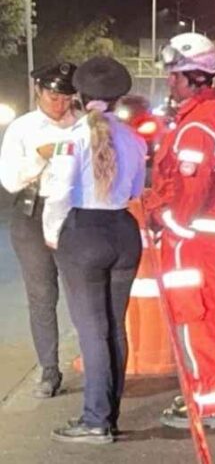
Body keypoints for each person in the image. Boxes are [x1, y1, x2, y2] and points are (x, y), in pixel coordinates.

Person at [141, 33, 215, 429]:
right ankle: (207, 394)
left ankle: (210, 405)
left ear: (195, 77)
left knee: (195, 320)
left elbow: (187, 198)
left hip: (193, 241)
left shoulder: (197, 128)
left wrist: (157, 217)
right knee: (211, 318)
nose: (170, 82)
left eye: (175, 76)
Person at [39, 57, 146, 444]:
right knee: (114, 328)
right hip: (123, 230)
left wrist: (52, 231)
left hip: (83, 232)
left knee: (92, 332)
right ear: (119, 99)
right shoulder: (135, 138)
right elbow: (135, 191)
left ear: (80, 97)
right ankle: (109, 414)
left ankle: (95, 420)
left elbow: (60, 192)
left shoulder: (74, 138)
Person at [0, 62, 81, 399]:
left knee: (81, 293)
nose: (58, 103)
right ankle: (49, 370)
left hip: (74, 214)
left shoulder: (83, 125)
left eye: (65, 97)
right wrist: (40, 157)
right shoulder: (22, 128)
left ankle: (90, 358)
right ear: (38, 89)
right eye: (52, 95)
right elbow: (10, 180)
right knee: (42, 295)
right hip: (33, 214)